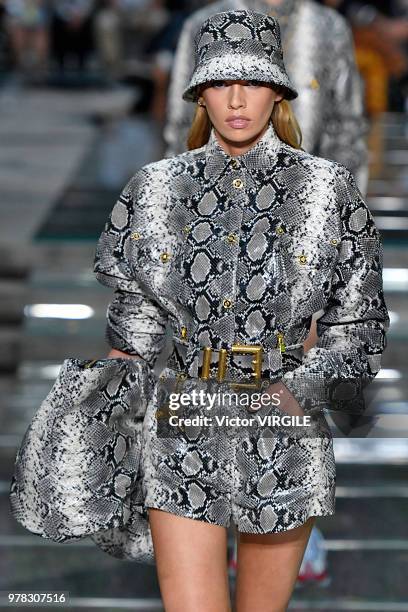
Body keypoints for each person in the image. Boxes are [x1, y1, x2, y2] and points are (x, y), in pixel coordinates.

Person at [93, 10, 389, 610]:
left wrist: (302, 388)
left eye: (250, 82)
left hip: (282, 416)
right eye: (221, 83)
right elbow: (135, 326)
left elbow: (360, 324)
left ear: (278, 90)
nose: (235, 99)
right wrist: (110, 427)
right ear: (199, 90)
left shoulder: (327, 191)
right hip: (184, 411)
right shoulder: (154, 189)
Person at [164, 0, 369, 196]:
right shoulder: (205, 23)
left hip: (311, 201)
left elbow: (347, 129)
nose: (236, 99)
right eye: (220, 83)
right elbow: (182, 125)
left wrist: (335, 204)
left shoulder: (329, 26)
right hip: (214, 197)